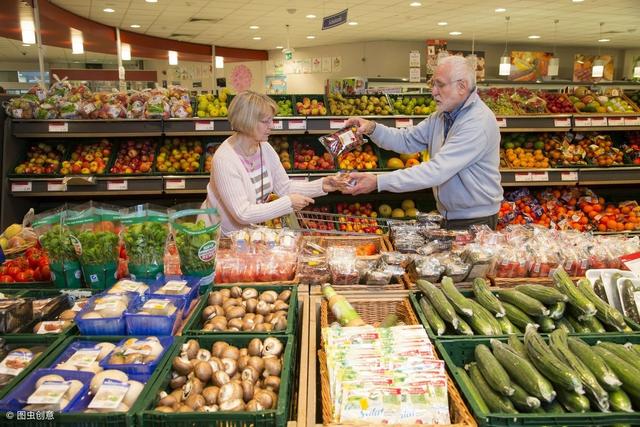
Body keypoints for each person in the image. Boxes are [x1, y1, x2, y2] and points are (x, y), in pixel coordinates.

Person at [343, 55, 503, 230]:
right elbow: (407, 140)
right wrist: (372, 128)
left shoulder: (477, 123)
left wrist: (379, 182)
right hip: (450, 215)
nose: (433, 91)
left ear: (461, 86)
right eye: (433, 84)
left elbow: (436, 170)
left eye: (440, 85)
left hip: (475, 220)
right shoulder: (441, 116)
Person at [206, 90, 344, 235]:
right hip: (221, 237)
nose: (272, 125)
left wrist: (323, 185)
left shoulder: (264, 147)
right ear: (246, 122)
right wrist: (288, 203)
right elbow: (243, 213)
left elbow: (284, 187)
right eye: (266, 121)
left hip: (248, 235)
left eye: (272, 119)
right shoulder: (225, 159)